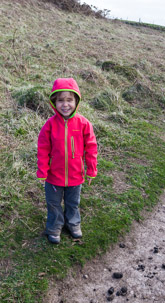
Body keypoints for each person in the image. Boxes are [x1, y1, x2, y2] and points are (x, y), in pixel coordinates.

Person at [37, 78, 98, 244]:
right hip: (53, 177)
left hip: (75, 176)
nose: (65, 104)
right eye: (61, 100)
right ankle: (55, 226)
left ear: (76, 101)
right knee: (54, 204)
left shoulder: (84, 124)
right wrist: (42, 170)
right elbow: (42, 149)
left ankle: (73, 223)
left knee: (73, 203)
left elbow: (91, 148)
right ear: (54, 102)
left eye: (69, 100)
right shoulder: (49, 125)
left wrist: (92, 169)